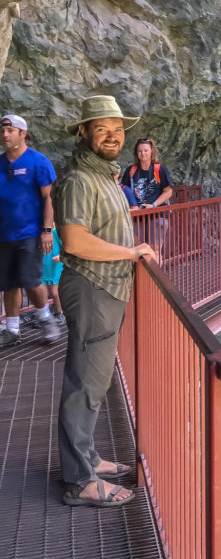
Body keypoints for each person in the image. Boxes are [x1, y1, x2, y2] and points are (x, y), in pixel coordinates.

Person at [53, 95, 156, 509]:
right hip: (94, 287)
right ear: (83, 132)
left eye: (118, 129)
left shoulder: (106, 177)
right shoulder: (79, 179)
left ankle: (88, 457)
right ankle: (80, 481)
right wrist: (133, 254)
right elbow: (75, 240)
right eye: (102, 128)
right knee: (85, 384)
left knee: (94, 382)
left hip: (107, 289)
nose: (113, 136)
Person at [0, 112, 61, 346]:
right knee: (7, 283)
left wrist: (46, 230)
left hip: (29, 233)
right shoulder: (0, 163)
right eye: (3, 130)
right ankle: (13, 330)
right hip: (4, 234)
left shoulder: (38, 162)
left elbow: (49, 198)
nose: (5, 134)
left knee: (30, 279)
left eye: (10, 130)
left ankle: (45, 317)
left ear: (22, 134)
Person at [121, 137, 173, 253]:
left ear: (151, 152)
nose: (143, 153)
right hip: (137, 216)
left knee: (155, 250)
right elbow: (123, 190)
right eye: (140, 151)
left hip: (157, 214)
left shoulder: (160, 170)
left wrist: (153, 205)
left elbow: (168, 191)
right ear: (136, 153)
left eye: (146, 150)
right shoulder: (131, 171)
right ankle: (141, 272)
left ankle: (155, 271)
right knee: (136, 250)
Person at [40, 226, 64, 320]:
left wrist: (60, 256)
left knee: (54, 292)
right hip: (41, 267)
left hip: (54, 266)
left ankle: (59, 313)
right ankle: (44, 316)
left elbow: (65, 246)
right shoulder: (37, 233)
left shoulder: (56, 232)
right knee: (42, 293)